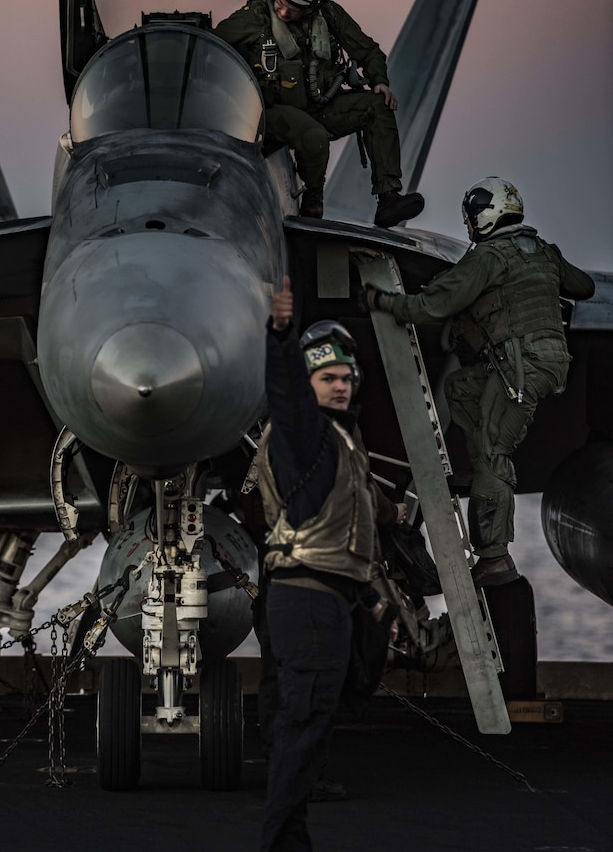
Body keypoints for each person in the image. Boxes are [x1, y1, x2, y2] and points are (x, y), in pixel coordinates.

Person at [361, 176, 596, 587]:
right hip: (550, 364)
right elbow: (585, 286)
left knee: (491, 454)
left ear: (484, 218)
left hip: (522, 368)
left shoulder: (488, 257)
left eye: (470, 218)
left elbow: (436, 304)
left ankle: (493, 558)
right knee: (460, 390)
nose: (468, 227)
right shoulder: (542, 251)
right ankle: (485, 460)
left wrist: (383, 302)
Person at [257, 276, 393, 850]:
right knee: (302, 727)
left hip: (330, 597)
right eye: (327, 378)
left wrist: (367, 597)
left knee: (314, 728)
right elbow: (287, 397)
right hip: (306, 600)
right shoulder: (303, 437)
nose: (339, 387)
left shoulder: (343, 442)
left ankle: (293, 842)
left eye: (344, 378)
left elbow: (343, 533)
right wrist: (282, 336)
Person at [214, 0, 424, 227]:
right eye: (281, 2)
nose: (283, 11)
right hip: (273, 114)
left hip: (321, 106)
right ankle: (313, 198)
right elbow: (215, 48)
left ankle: (389, 197)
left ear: (312, 7)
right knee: (312, 134)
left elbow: (368, 51)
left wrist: (380, 81)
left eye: (293, 9)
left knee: (377, 106)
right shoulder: (254, 17)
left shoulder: (329, 16)